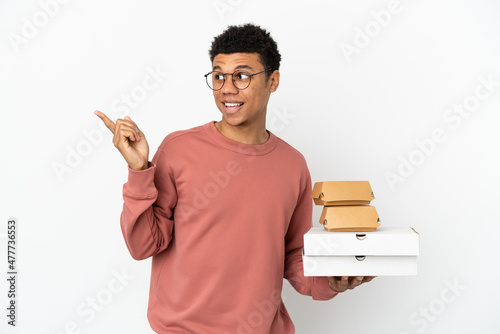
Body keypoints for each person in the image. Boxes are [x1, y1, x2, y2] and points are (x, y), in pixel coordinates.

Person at [95, 23, 374, 334]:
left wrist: (330, 281)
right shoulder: (179, 150)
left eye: (242, 76)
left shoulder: (293, 165)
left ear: (273, 80)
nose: (227, 88)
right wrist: (138, 171)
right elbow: (142, 245)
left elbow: (294, 255)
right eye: (218, 76)